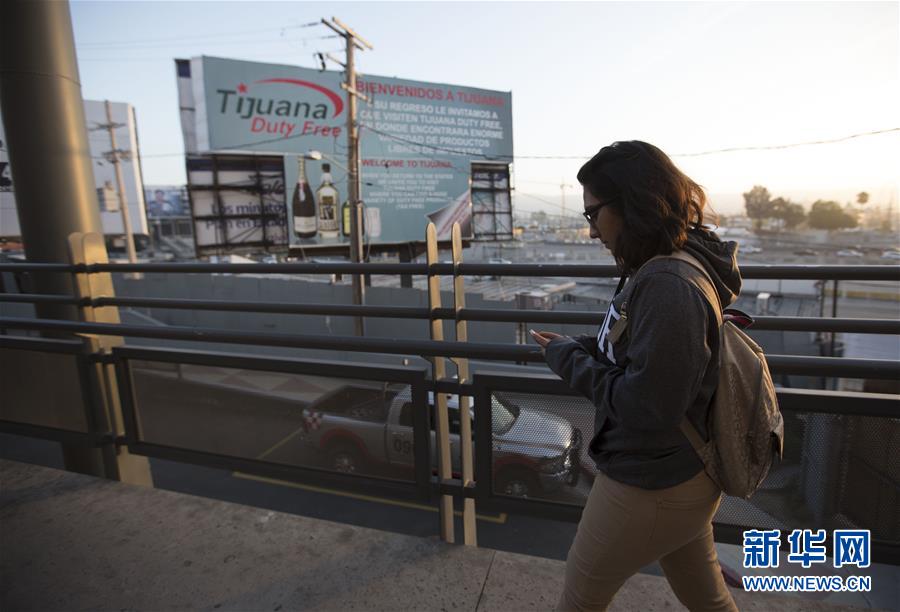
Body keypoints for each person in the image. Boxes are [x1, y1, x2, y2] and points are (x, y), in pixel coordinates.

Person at [530, 141, 740, 612]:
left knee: (580, 597)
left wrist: (568, 361)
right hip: (678, 474)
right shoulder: (660, 268)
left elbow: (647, 406)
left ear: (631, 204)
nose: (590, 233)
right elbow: (641, 357)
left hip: (651, 481)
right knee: (705, 597)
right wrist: (581, 347)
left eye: (592, 215)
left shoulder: (668, 285)